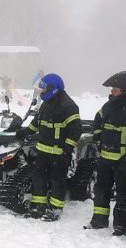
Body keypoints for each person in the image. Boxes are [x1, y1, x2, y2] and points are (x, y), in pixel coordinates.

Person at [85, 71, 126, 234]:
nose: (112, 91)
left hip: (125, 161)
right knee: (101, 189)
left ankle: (122, 224)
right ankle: (99, 220)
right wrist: (98, 139)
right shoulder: (109, 106)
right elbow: (97, 121)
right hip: (105, 158)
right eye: (112, 89)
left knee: (124, 193)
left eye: (115, 89)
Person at [15, 73, 81, 221]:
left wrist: (68, 148)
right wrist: (26, 131)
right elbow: (37, 121)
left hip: (59, 153)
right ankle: (38, 207)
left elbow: (76, 129)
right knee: (39, 179)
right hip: (43, 150)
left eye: (44, 89)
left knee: (57, 181)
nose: (42, 91)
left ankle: (55, 210)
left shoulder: (69, 106)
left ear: (53, 88)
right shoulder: (46, 104)